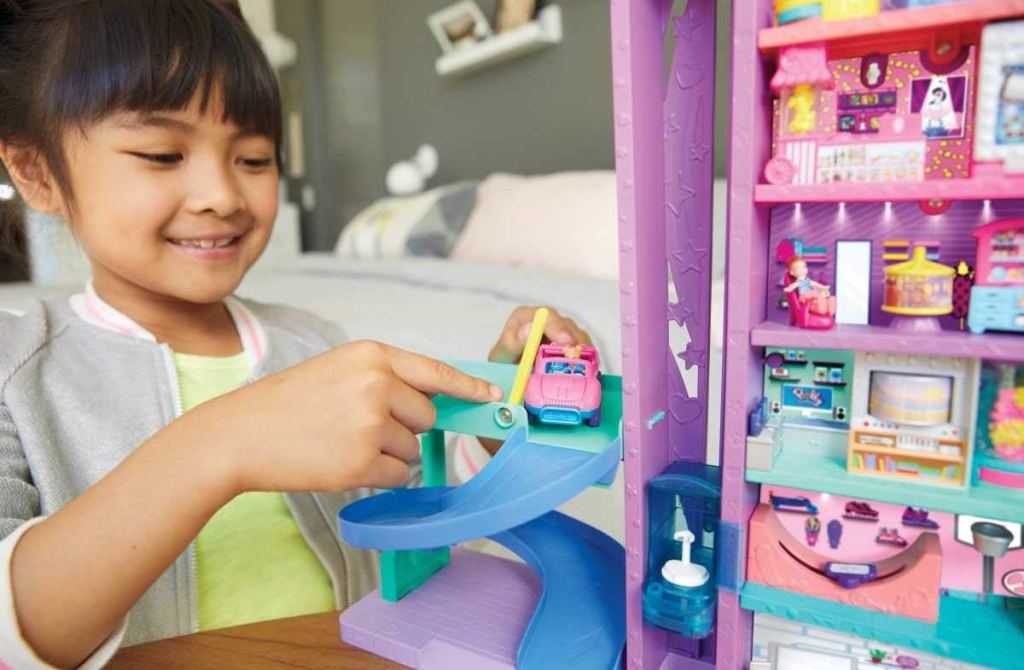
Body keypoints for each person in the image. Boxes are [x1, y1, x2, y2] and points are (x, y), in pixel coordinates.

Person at [0, 1, 592, 667]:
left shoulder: (315, 344)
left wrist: (494, 411)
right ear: (37, 174)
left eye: (254, 158)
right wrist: (220, 443)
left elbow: (420, 512)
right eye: (163, 154)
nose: (222, 193)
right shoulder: (15, 370)